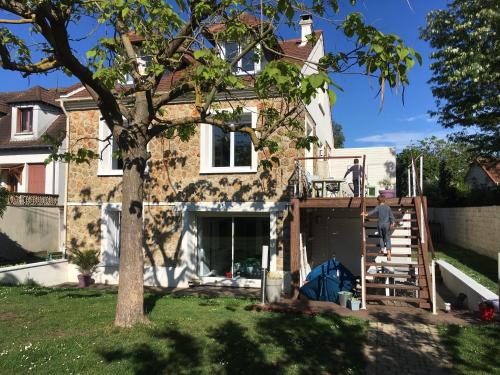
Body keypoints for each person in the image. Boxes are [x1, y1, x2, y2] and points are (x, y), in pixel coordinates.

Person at [362, 195, 395, 260]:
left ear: (378, 201)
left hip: (380, 225)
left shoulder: (378, 207)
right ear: (384, 200)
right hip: (386, 225)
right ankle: (388, 253)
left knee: (381, 237)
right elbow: (391, 216)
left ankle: (382, 248)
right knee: (387, 238)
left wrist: (366, 214)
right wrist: (392, 222)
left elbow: (373, 211)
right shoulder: (388, 207)